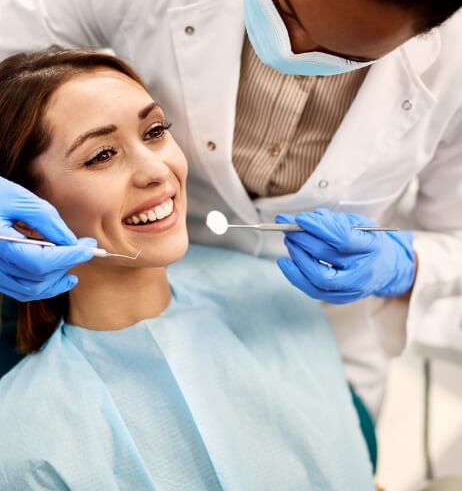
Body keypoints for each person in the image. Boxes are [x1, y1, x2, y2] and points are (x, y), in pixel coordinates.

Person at [1, 0, 462, 420]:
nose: (295, 49)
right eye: (284, 6)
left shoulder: (454, 64)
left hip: (316, 345)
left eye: (344, 54)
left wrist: (405, 263)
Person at [0, 48, 374, 490]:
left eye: (155, 130)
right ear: (24, 218)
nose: (157, 170)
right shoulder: (27, 439)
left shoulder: (273, 295)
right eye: (101, 155)